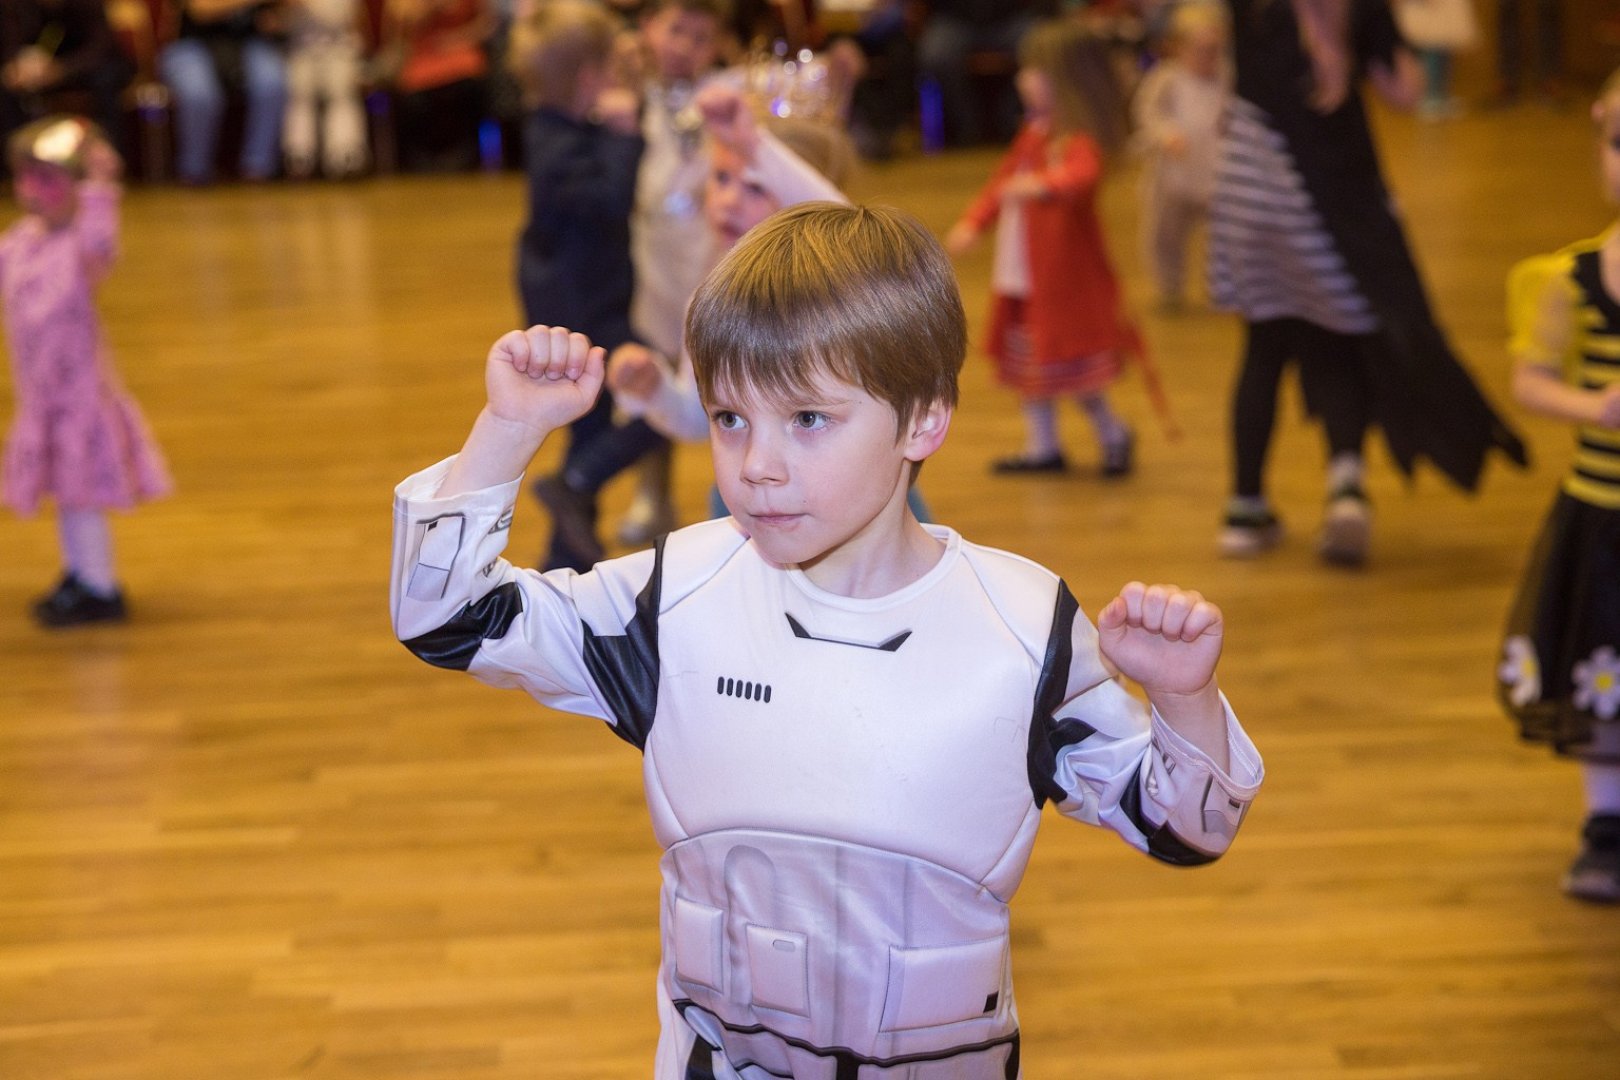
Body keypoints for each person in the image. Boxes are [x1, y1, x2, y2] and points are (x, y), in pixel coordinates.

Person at [390, 200, 1263, 1075]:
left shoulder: (1024, 628)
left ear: (923, 420)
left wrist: (1184, 698)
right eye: (729, 418)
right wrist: (508, 431)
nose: (756, 466)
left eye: (807, 419)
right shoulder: (674, 598)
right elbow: (449, 617)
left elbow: (1183, 830)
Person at [1208, 0, 1525, 565]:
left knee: (1263, 346)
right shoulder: (1362, 7)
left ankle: (1244, 508)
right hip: (1329, 199)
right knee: (1339, 342)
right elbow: (1405, 91)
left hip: (1251, 190)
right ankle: (1346, 490)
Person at [1495, 71, 1620, 903]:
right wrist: (1595, 406)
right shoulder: (1570, 278)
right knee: (1598, 672)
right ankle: (1606, 824)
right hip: (1600, 521)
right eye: (1619, 143)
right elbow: (1529, 381)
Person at [944, 17, 1141, 478]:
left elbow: (1082, 177)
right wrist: (975, 221)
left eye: (1035, 72)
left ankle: (1113, 433)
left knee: (1077, 375)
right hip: (1025, 276)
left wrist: (1041, 184)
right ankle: (1043, 446)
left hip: (1060, 283)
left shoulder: (1075, 140)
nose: (1023, 80)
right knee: (1031, 370)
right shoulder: (1035, 134)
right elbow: (1002, 183)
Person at [1, 117, 172, 627]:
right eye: (26, 179)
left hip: (79, 400)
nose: (34, 192)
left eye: (50, 181)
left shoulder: (79, 252)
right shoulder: (20, 243)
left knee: (81, 497)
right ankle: (80, 573)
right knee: (67, 497)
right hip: (42, 399)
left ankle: (99, 587)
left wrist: (100, 185)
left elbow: (101, 238)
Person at [505, 0, 644, 571]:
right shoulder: (559, 142)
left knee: (591, 417)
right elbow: (609, 202)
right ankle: (576, 483)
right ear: (590, 77)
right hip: (583, 302)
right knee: (659, 402)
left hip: (578, 293)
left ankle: (564, 559)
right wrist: (626, 135)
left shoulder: (556, 127)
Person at [1132, 0, 1228, 311]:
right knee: (1165, 235)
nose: (1207, 57)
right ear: (1179, 48)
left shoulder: (1226, 79)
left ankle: (1221, 286)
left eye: (1214, 50)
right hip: (1174, 176)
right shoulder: (1167, 79)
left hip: (1215, 174)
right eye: (1199, 50)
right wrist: (1164, 134)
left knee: (1222, 238)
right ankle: (1169, 286)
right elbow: (1147, 111)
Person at [159, 0, 290, 185]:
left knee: (272, 83)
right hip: (190, 45)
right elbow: (201, 10)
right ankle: (194, 170)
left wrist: (275, 19)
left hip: (247, 43)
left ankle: (258, 167)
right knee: (199, 94)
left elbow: (276, 20)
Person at [0, 0, 136, 173]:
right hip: (41, 71)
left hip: (91, 69)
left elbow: (101, 47)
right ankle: (16, 167)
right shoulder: (17, 6)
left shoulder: (88, 5)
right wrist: (15, 66)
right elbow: (11, 42)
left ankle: (108, 163)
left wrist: (60, 70)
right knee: (6, 88)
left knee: (106, 81)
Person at [382, 0, 494, 172]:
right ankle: (423, 156)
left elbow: (487, 23)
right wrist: (431, 7)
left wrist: (457, 39)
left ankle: (464, 152)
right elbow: (400, 25)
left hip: (462, 50)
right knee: (413, 94)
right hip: (422, 55)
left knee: (472, 82)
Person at [282, 0, 371, 178]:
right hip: (301, 51)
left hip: (339, 49)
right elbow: (281, 23)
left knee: (342, 94)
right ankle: (299, 155)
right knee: (299, 96)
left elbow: (351, 20)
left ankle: (345, 154)